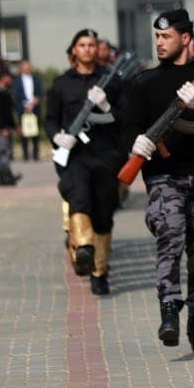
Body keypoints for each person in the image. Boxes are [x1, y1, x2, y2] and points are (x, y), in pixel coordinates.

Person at [122, 9, 194, 354]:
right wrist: (135, 142)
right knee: (170, 233)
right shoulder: (144, 83)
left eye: (166, 37)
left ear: (185, 38)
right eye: (157, 37)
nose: (160, 43)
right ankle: (169, 307)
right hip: (165, 176)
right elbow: (127, 127)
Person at [47, 29, 124, 295]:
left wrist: (105, 107)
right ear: (74, 50)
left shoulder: (111, 81)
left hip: (105, 155)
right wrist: (57, 136)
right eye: (82, 45)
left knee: (103, 212)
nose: (88, 49)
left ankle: (99, 272)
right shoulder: (61, 84)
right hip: (75, 156)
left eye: (92, 44)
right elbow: (50, 118)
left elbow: (124, 118)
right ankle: (84, 247)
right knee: (79, 198)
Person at [0, 71, 19, 185]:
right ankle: (4, 178)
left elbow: (8, 113)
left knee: (6, 151)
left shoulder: (4, 92)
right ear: (4, 78)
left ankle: (6, 176)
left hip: (4, 126)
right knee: (3, 151)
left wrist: (14, 126)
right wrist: (3, 127)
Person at [13, 60, 41, 161]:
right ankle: (25, 154)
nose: (27, 69)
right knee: (24, 132)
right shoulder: (17, 81)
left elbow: (39, 92)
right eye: (25, 68)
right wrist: (26, 105)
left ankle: (35, 154)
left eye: (28, 67)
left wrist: (34, 101)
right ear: (21, 69)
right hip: (22, 109)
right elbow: (16, 95)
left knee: (35, 132)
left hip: (35, 108)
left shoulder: (36, 79)